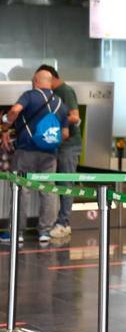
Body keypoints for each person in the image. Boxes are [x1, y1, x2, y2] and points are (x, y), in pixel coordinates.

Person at [0, 67, 69, 244]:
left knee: (22, 190)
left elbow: (15, 110)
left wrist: (6, 124)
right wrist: (49, 143)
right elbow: (66, 133)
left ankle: (18, 233)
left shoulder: (30, 96)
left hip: (26, 152)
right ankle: (45, 232)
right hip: (50, 155)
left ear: (36, 81)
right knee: (48, 191)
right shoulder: (60, 103)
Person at [37, 66, 80, 240]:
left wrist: (50, 121)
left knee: (66, 182)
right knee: (60, 183)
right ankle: (58, 221)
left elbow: (75, 117)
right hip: (58, 144)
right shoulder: (52, 95)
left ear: (52, 78)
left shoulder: (65, 91)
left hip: (69, 145)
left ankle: (64, 223)